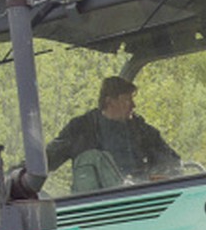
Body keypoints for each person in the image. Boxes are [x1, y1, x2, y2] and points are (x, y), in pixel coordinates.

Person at [47, 76, 180, 193]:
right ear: (109, 101)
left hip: (139, 197)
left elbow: (171, 161)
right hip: (95, 205)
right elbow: (47, 159)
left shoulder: (143, 131)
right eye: (127, 100)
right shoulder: (80, 129)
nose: (134, 105)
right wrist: (28, 172)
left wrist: (160, 175)